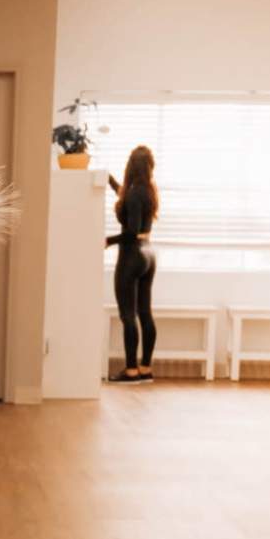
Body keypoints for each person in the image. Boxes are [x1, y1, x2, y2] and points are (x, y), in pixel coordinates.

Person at [110, 145, 160, 381]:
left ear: (130, 166)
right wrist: (110, 182)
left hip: (131, 255)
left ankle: (130, 370)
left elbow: (130, 231)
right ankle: (146, 368)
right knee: (144, 313)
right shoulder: (148, 191)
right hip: (149, 253)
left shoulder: (133, 194)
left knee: (127, 315)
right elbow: (132, 205)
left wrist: (108, 240)